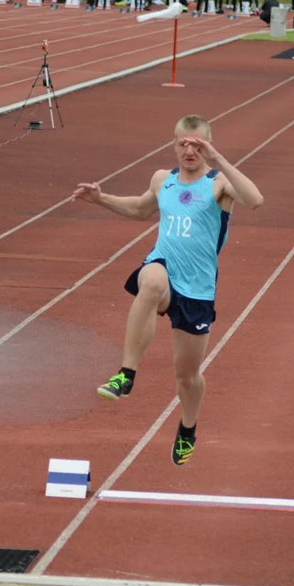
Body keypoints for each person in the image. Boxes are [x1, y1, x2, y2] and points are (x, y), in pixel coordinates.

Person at [72, 115, 264, 466]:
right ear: (173, 145)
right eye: (182, 144)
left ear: (208, 144)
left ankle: (188, 428)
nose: (189, 150)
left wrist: (219, 159)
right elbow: (141, 209)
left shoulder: (218, 183)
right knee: (151, 280)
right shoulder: (163, 180)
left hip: (198, 290)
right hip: (165, 269)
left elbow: (255, 200)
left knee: (187, 376)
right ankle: (126, 375)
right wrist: (101, 199)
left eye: (197, 144)